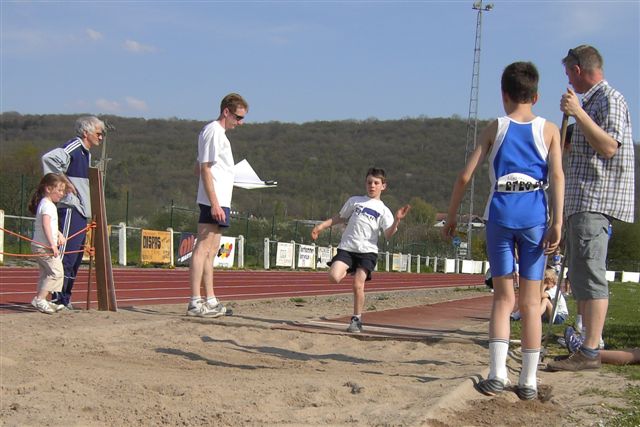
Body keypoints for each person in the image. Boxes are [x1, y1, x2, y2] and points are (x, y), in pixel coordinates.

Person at [443, 62, 564, 400]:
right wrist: (557, 221)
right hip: (535, 217)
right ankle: (528, 381)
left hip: (500, 214)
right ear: (536, 96)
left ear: (504, 94)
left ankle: (497, 373)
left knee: (502, 297)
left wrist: (452, 216)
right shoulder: (550, 130)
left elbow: (465, 176)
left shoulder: (495, 127)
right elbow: (556, 177)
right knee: (530, 301)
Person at [547, 45, 635, 372]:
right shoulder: (592, 101)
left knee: (592, 276)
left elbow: (610, 146)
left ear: (579, 70)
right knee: (582, 277)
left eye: (569, 72)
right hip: (582, 202)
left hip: (596, 201)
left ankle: (591, 350)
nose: (568, 80)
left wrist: (578, 113)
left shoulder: (609, 99)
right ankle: (586, 344)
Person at [311, 168, 410, 333]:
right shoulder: (355, 201)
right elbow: (340, 217)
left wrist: (397, 221)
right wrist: (321, 226)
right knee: (333, 277)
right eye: (369, 182)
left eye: (376, 183)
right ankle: (348, 268)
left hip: (367, 252)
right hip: (348, 248)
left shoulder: (383, 210)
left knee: (358, 285)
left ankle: (356, 319)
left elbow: (388, 234)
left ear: (383, 186)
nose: (372, 185)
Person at [186, 93, 248, 317]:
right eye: (238, 118)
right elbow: (205, 168)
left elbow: (199, 166)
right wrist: (213, 203)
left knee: (212, 251)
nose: (239, 123)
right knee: (202, 248)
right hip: (214, 201)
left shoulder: (218, 134)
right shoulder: (213, 131)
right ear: (226, 112)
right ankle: (195, 301)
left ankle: (210, 299)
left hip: (221, 199)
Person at [41, 116, 105, 310]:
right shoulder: (74, 147)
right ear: (86, 132)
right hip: (71, 209)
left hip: (82, 211)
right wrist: (65, 183)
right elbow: (49, 159)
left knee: (76, 256)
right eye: (98, 133)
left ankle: (65, 297)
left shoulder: (87, 154)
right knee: (67, 254)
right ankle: (57, 296)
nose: (101, 138)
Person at [28, 173, 67, 314]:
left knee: (46, 273)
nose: (62, 194)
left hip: (40, 245)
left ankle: (42, 300)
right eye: (60, 190)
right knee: (57, 272)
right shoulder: (47, 205)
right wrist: (53, 245)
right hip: (43, 247)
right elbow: (45, 225)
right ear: (49, 189)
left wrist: (59, 234)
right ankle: (39, 299)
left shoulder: (47, 204)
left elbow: (51, 225)